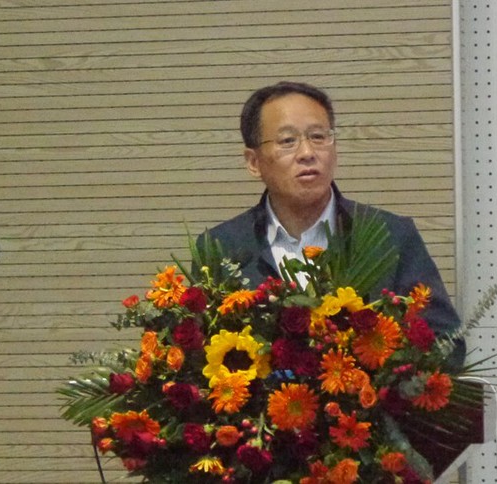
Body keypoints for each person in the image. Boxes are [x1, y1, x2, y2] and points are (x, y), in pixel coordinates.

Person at [198, 81, 464, 360]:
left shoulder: (391, 236)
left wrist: (382, 367)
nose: (307, 153)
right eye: (288, 141)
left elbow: (447, 345)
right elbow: (199, 358)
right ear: (253, 162)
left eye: (318, 137)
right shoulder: (221, 247)